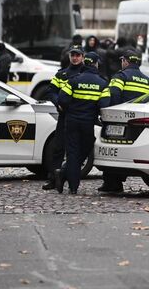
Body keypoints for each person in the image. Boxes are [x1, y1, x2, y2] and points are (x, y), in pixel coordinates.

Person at [99, 49, 149, 193]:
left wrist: (112, 114)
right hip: (139, 121)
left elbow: (114, 95)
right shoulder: (148, 81)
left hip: (120, 119)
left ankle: (112, 184)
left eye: (122, 61)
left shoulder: (120, 76)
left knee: (112, 150)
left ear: (125, 61)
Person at [55, 52, 110, 194]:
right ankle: (69, 182)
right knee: (84, 150)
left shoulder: (74, 80)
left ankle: (67, 178)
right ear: (96, 64)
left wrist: (70, 108)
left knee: (72, 153)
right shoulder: (102, 83)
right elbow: (104, 104)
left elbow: (62, 99)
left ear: (85, 62)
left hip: (72, 121)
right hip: (88, 123)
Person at [41, 45, 85, 190]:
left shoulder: (86, 73)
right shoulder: (62, 74)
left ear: (83, 57)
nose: (75, 57)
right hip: (64, 115)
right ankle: (53, 179)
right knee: (58, 148)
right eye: (73, 55)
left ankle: (71, 179)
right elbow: (51, 91)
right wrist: (58, 102)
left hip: (80, 115)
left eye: (78, 55)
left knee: (77, 150)